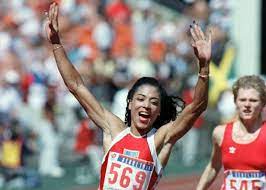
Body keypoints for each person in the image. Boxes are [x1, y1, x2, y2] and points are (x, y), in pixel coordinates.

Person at [46, 2, 211, 189]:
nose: (146, 105)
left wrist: (204, 67)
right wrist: (56, 44)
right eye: (141, 99)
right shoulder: (114, 130)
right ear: (130, 103)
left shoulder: (159, 140)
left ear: (159, 111)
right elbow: (76, 86)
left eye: (153, 102)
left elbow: (197, 107)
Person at [197, 75, 266, 190]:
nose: (247, 105)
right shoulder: (220, 133)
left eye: (253, 100)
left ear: (263, 104)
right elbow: (213, 166)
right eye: (242, 100)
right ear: (235, 101)